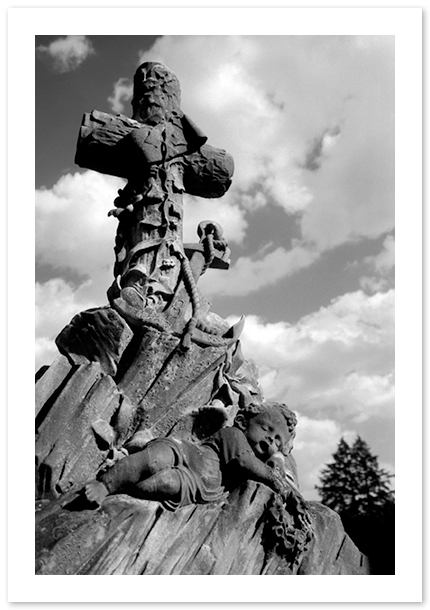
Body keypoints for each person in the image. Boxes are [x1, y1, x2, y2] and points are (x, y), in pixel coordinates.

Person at [85, 402, 297, 511]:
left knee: (167, 484)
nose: (270, 440)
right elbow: (244, 462)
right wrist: (275, 478)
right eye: (266, 429)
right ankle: (107, 484)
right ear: (242, 421)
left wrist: (277, 459)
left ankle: (125, 485)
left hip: (198, 484)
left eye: (278, 440)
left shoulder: (258, 463)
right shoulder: (234, 435)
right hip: (184, 453)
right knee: (153, 460)